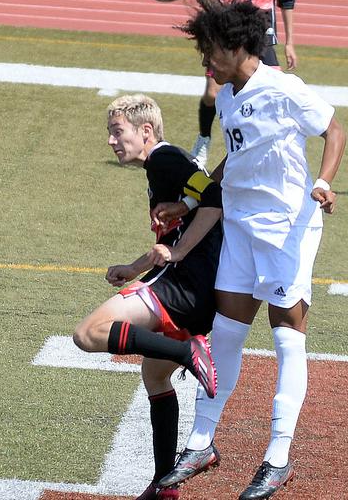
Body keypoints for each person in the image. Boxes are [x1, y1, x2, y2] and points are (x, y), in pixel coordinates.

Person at [156, 0, 346, 500]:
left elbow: (334, 130)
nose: (205, 63)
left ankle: (278, 457)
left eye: (211, 51)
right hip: (239, 225)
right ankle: (201, 444)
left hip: (286, 227)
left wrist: (324, 182)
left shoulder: (283, 89)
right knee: (227, 330)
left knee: (286, 335)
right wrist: (191, 201)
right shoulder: (225, 96)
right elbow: (233, 161)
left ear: (238, 45)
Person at [73, 94, 223, 500]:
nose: (110, 141)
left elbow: (213, 202)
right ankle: (164, 487)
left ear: (145, 131)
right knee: (154, 375)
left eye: (116, 131)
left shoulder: (163, 158)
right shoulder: (166, 164)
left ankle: (189, 351)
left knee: (88, 334)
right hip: (192, 285)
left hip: (183, 283)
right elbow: (196, 201)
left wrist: (177, 254)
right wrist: (135, 266)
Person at [189, 0, 301, 167]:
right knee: (212, 94)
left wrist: (290, 41)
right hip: (228, 31)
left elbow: (287, 1)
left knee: (274, 94)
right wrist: (221, 12)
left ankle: (269, 151)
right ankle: (203, 141)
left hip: (262, 33)